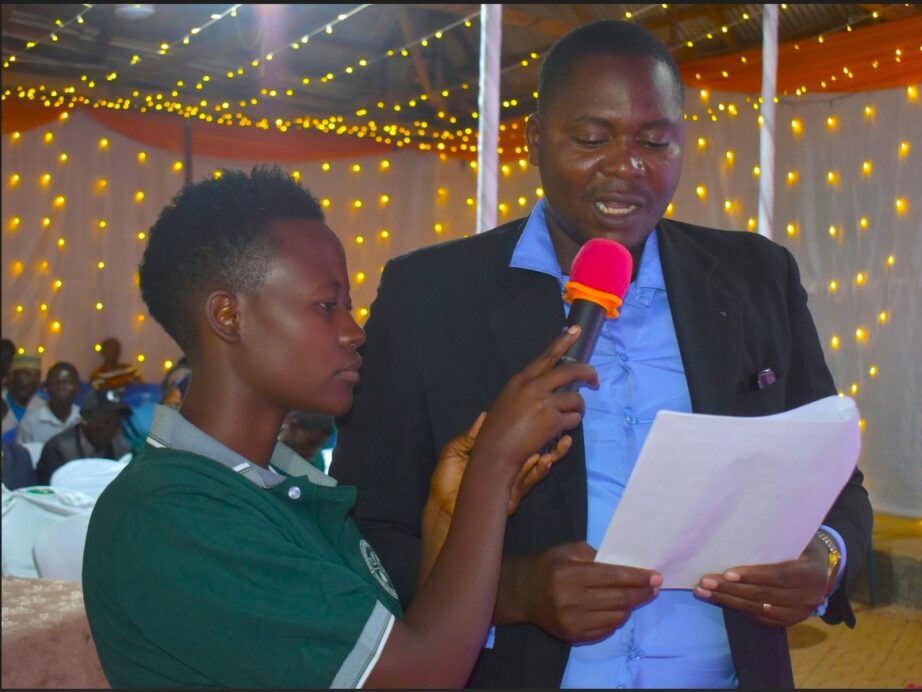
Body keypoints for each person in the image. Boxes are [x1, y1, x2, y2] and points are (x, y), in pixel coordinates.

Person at [332, 19, 872, 689]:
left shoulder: (755, 277)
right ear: (534, 139)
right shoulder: (429, 295)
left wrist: (824, 560)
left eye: (655, 141)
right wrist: (513, 591)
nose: (626, 166)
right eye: (591, 139)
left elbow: (834, 479)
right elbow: (364, 531)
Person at [81, 166, 601, 688]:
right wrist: (493, 464)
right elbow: (421, 676)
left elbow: (404, 640)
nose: (354, 332)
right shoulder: (174, 515)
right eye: (327, 306)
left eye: (348, 307)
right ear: (228, 316)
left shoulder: (281, 490)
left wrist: (452, 516)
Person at [36, 387, 133, 485]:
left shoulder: (121, 447)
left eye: (118, 422)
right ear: (85, 418)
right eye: (107, 420)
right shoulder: (58, 449)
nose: (114, 428)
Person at [17, 362, 82, 445]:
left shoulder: (85, 419)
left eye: (66, 382)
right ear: (46, 387)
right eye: (56, 382)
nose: (61, 387)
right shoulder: (30, 424)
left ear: (78, 387)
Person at [1, 354, 45, 443]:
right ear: (12, 375)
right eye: (27, 374)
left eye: (37, 376)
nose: (32, 381)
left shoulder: (44, 407)